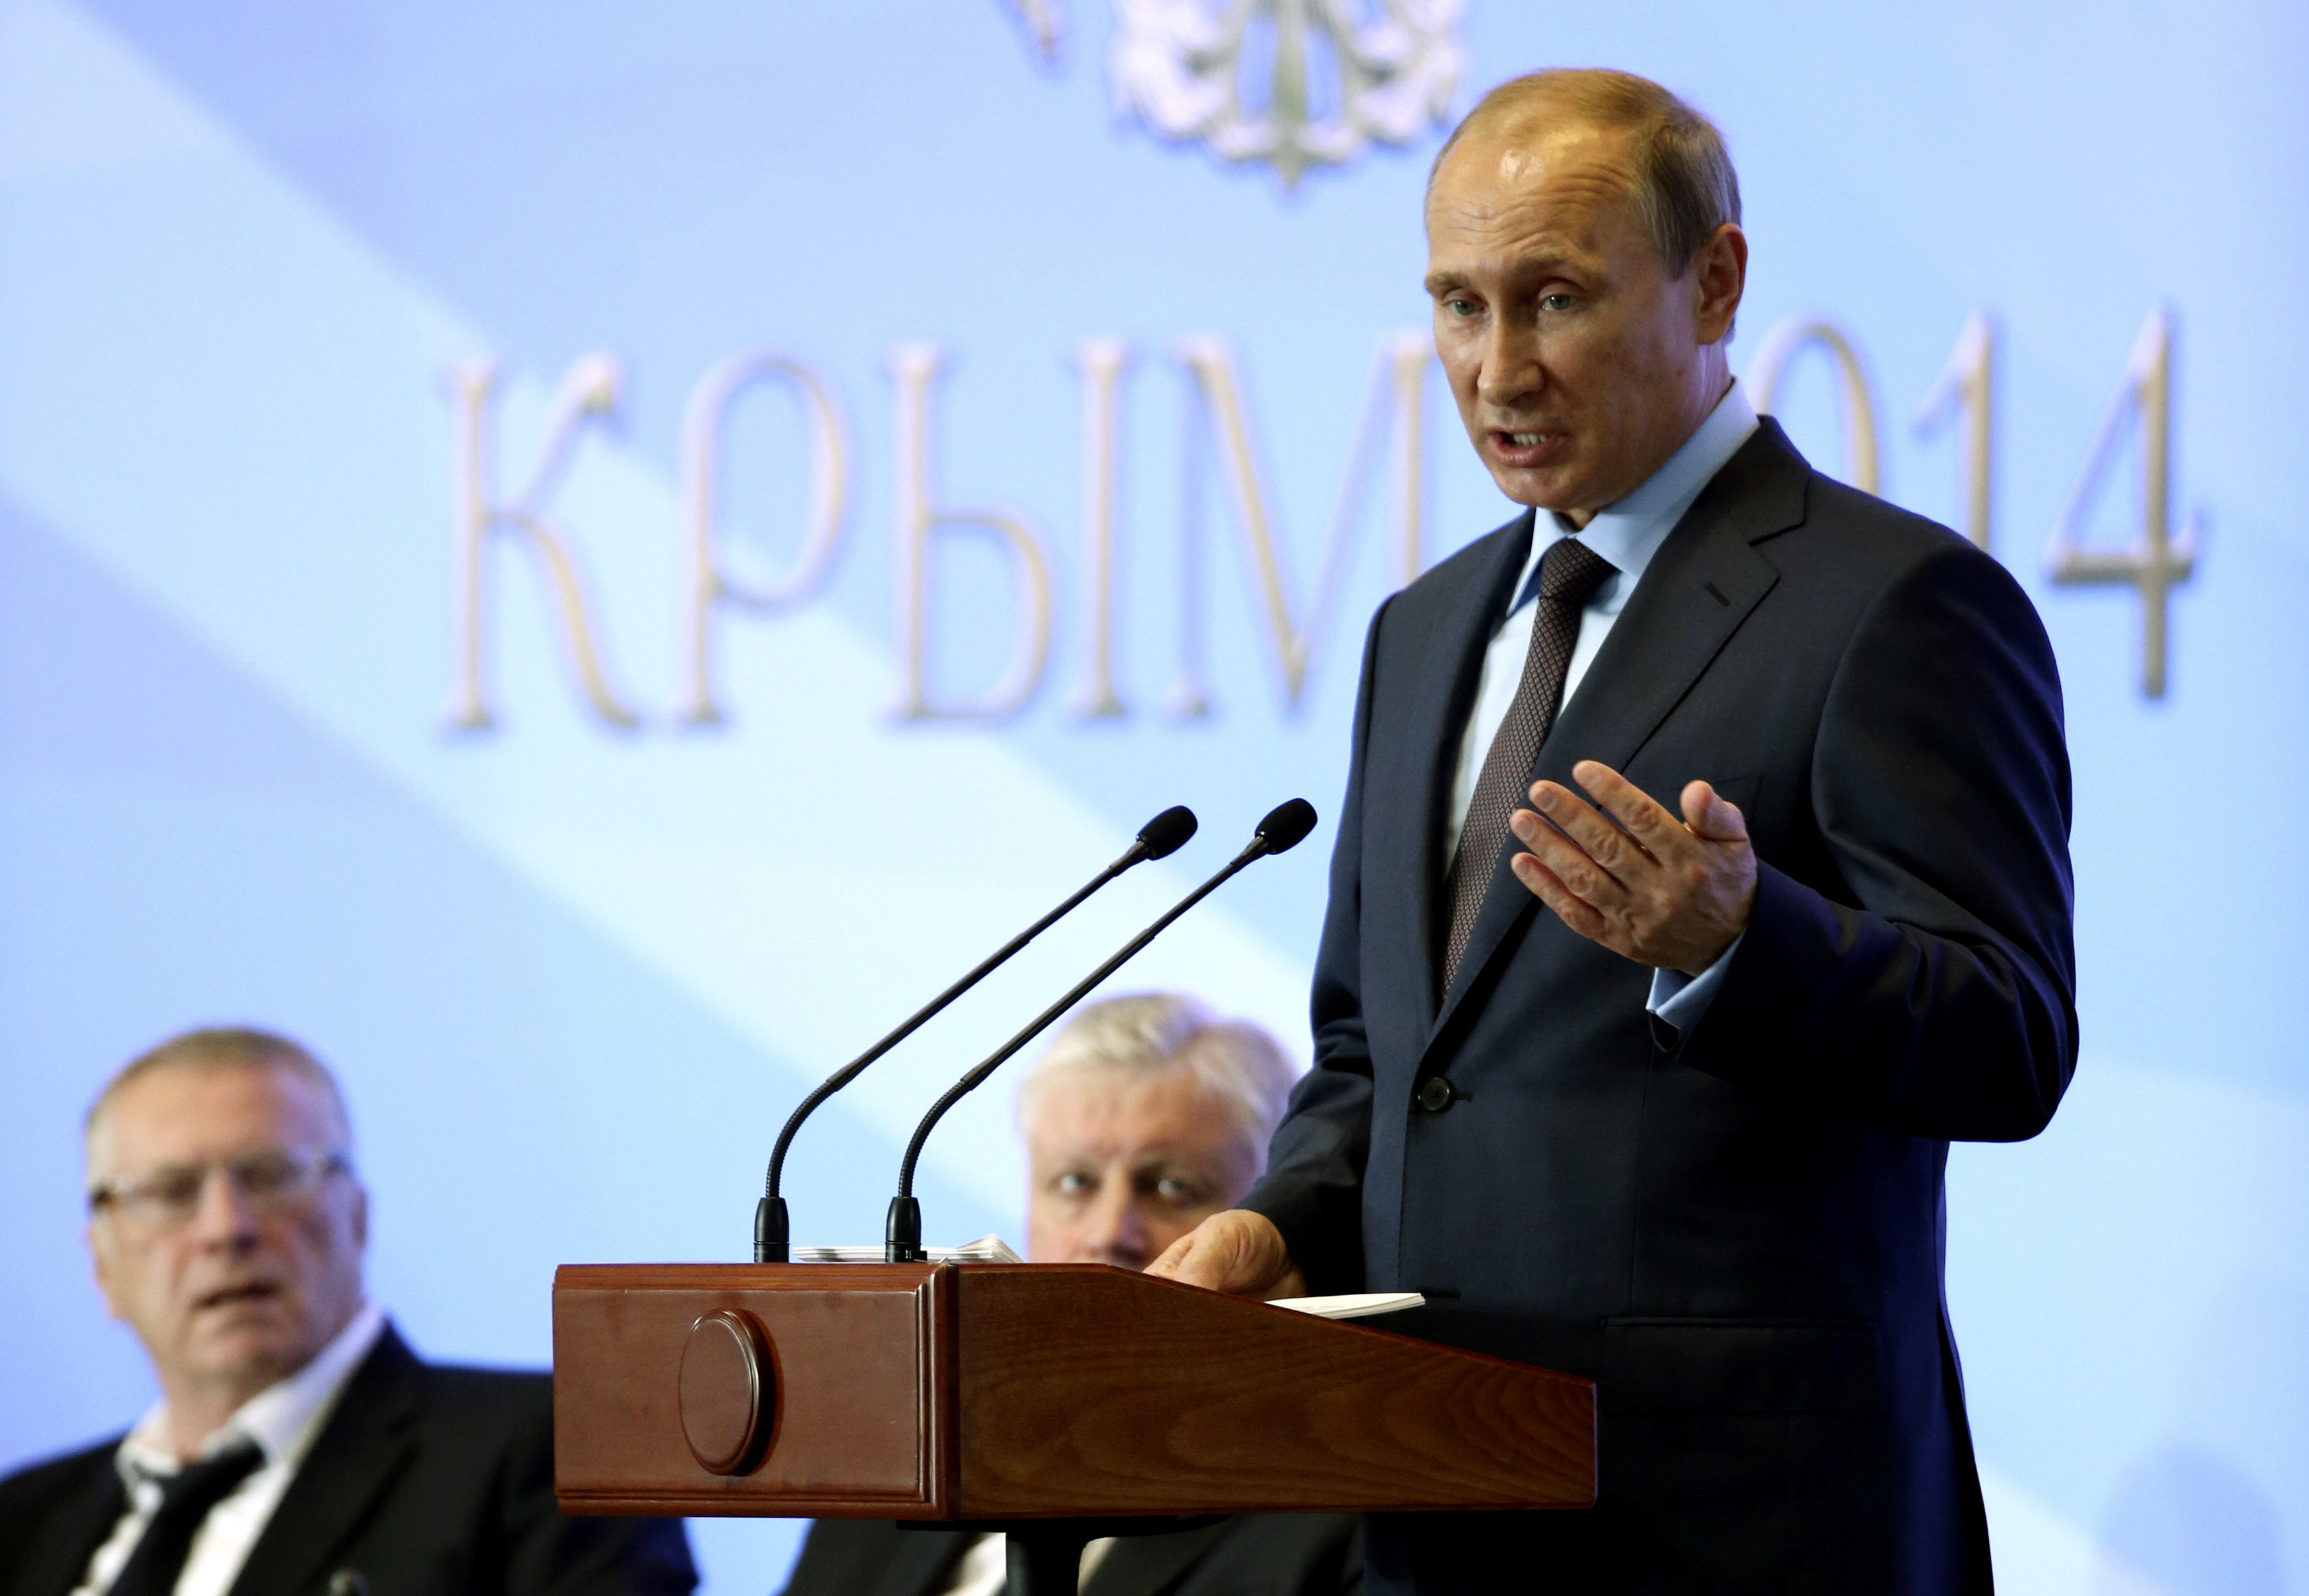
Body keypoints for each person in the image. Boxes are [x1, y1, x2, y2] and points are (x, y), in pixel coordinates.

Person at [1147, 68, 2076, 1595]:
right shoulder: (1423, 628)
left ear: (1714, 280)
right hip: (1432, 1506)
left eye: (1556, 298)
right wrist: (1279, 1225)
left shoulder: (1892, 603)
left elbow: (2013, 1034)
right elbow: (1385, 1059)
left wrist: (1737, 945)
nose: (1496, 367)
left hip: (1741, 1522)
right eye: (1458, 304)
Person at [0, 1027, 697, 1596]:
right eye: (170, 1191)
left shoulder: (557, 1450)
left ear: (358, 1218)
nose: (225, 1228)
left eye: (272, 1176)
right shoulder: (21, 1519)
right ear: (101, 1266)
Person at [781, 994, 1362, 1596]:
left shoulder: (1345, 1516)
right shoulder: (905, 1453)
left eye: (1170, 1186)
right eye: (1075, 1182)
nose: (1110, 1231)